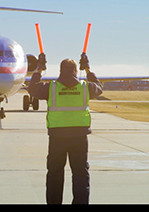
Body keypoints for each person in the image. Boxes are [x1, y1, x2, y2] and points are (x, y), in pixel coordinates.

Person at [28, 53, 103, 204]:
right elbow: (99, 87)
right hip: (79, 138)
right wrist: (88, 69)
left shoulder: (51, 88)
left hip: (57, 138)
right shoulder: (85, 87)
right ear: (76, 71)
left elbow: (33, 89)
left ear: (60, 71)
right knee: (80, 174)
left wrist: (39, 70)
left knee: (55, 174)